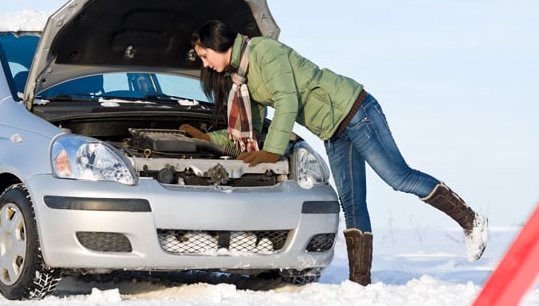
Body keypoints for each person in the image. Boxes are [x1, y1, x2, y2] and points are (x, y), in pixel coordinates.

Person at [180, 20, 487, 286]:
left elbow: (287, 101)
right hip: (333, 130)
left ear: (218, 44)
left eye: (204, 56)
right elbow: (254, 129)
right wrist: (207, 138)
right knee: (352, 203)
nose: (205, 64)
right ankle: (360, 282)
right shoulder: (243, 79)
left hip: (355, 110)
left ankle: (471, 220)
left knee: (398, 177)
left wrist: (273, 152)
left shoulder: (264, 52)